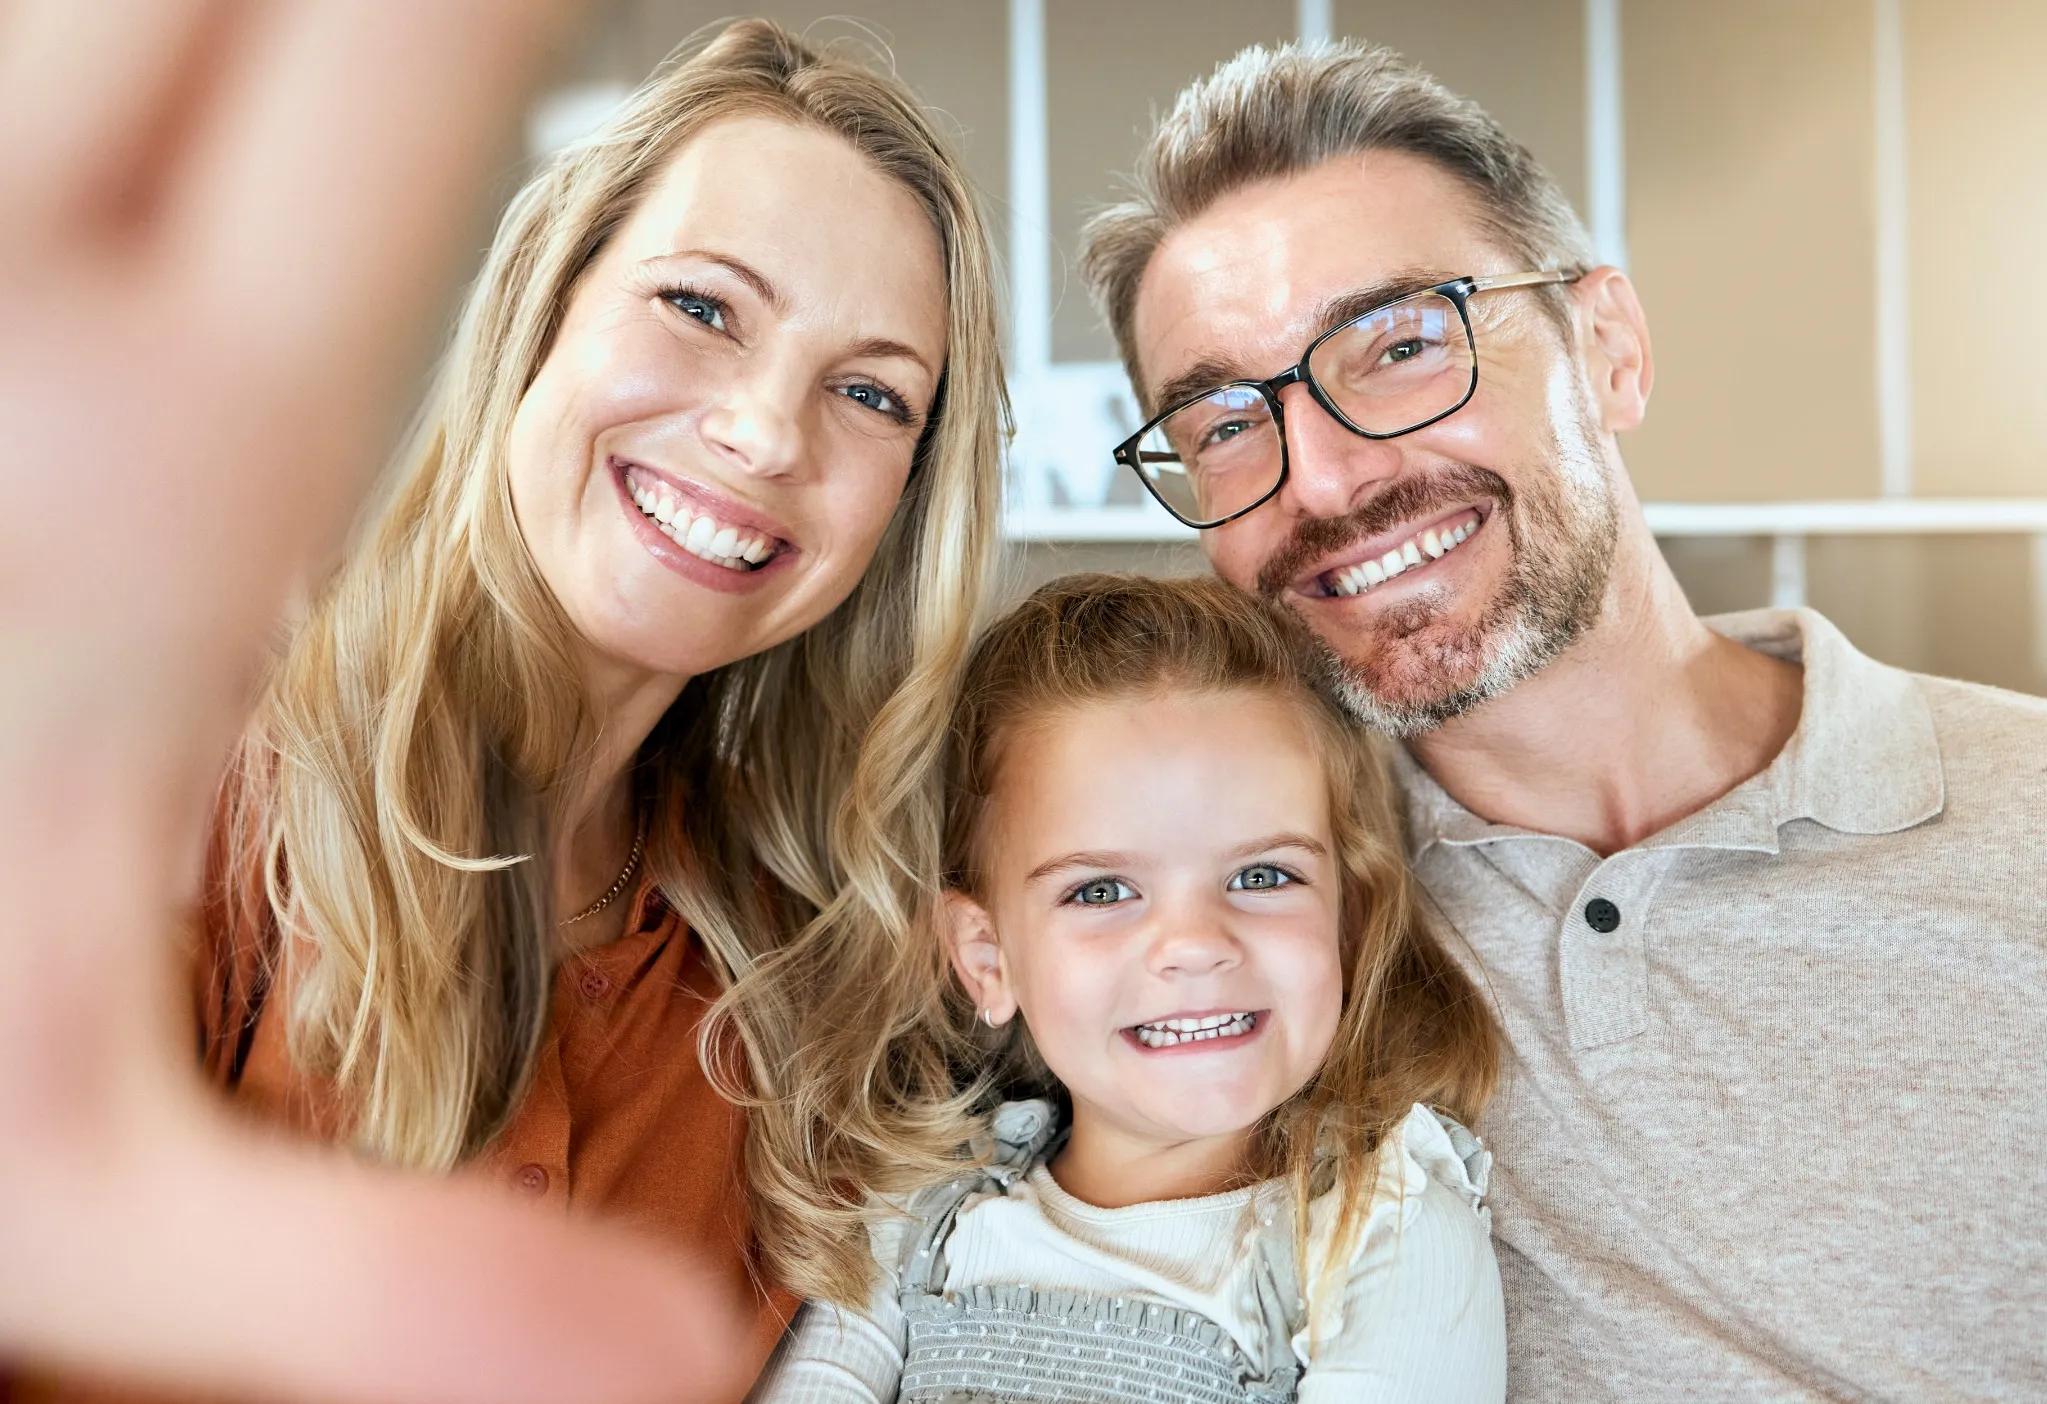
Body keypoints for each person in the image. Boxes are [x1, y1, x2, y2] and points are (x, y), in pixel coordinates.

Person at [8, 15, 1007, 1402]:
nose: (770, 432)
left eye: (869, 392)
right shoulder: (187, 778)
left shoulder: (809, 980)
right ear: (545, 307)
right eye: (700, 307)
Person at [1078, 35, 2047, 1402]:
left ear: (1607, 349)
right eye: (1225, 425)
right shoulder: (1231, 926)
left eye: (1401, 345)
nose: (1327, 479)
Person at [750, 573, 1504, 1402]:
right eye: (1101, 891)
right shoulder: (917, 1215)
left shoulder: (1383, 1230)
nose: (1193, 946)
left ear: (1346, 925)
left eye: (1261, 874)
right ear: (987, 959)